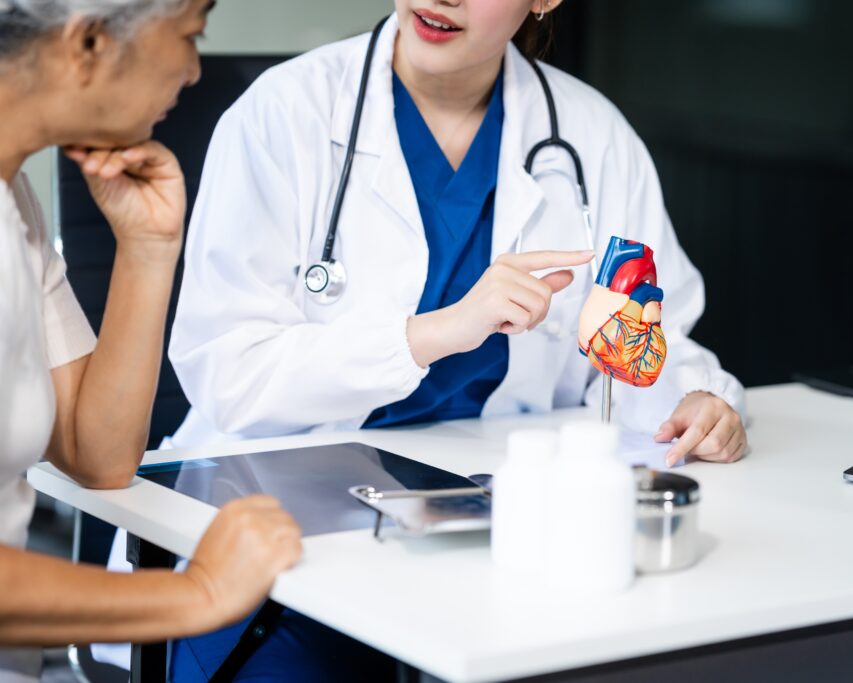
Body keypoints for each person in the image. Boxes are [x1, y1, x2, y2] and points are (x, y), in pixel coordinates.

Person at [158, 0, 750, 678]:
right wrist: (434, 332)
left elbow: (649, 338)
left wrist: (695, 403)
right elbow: (226, 369)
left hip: (506, 533)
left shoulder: (594, 137)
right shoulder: (283, 117)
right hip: (288, 525)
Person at [0, 1, 302, 680]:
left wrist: (147, 246)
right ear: (89, 43)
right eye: (190, 35)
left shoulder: (13, 197)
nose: (194, 71)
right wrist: (197, 592)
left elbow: (96, 453)